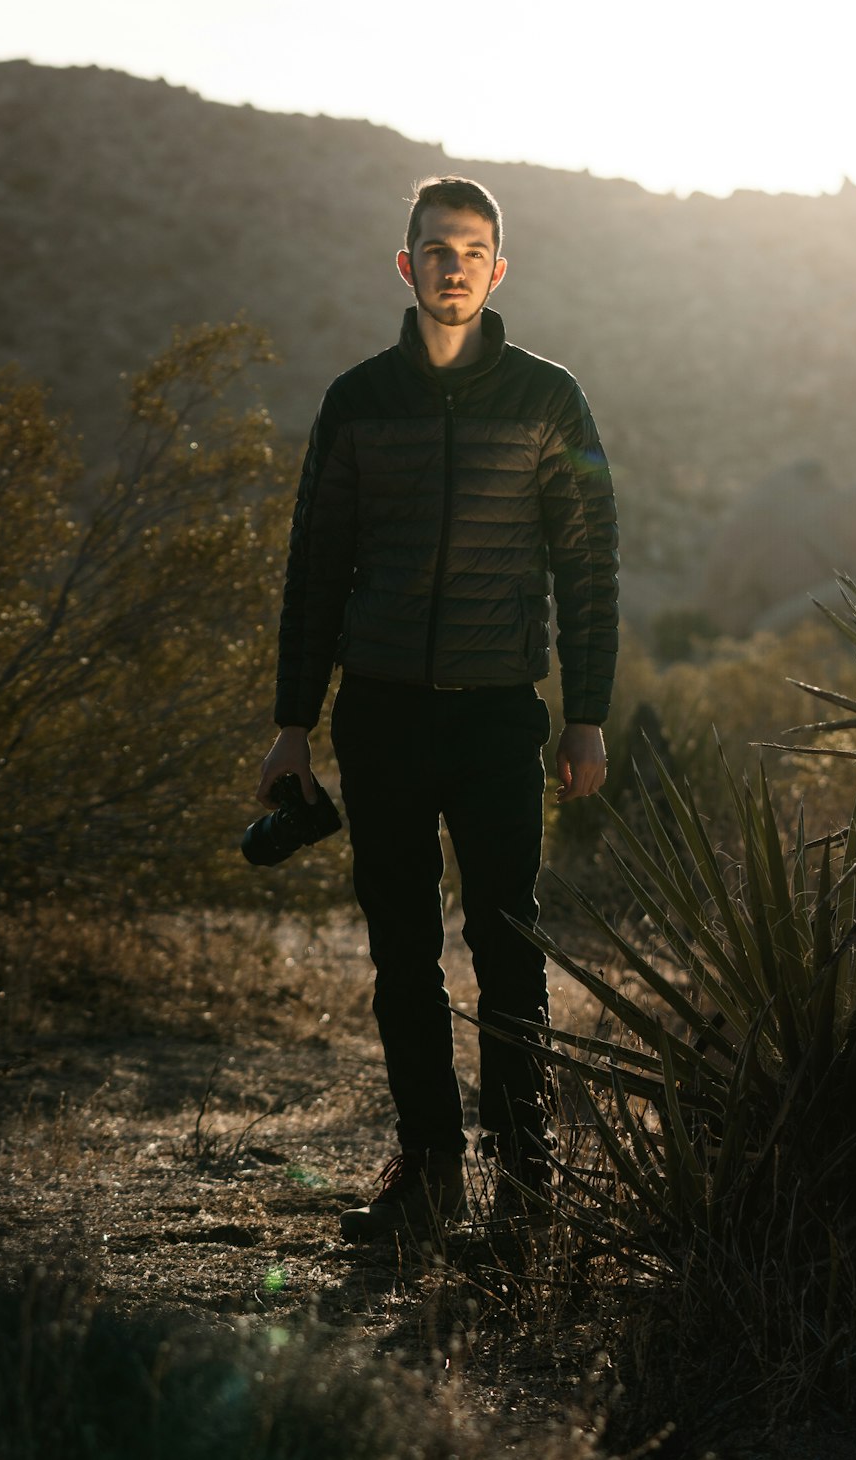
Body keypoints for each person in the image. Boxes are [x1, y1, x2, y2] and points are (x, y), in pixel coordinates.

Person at [256, 176, 618, 1242]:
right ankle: (428, 1174)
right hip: (379, 716)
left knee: (508, 944)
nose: (452, 264)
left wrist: (584, 714)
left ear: (497, 270)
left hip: (499, 714)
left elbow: (588, 566)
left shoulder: (549, 400)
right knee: (400, 950)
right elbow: (314, 570)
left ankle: (525, 1181)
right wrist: (292, 720)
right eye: (434, 247)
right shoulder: (358, 400)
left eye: (472, 249)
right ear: (404, 265)